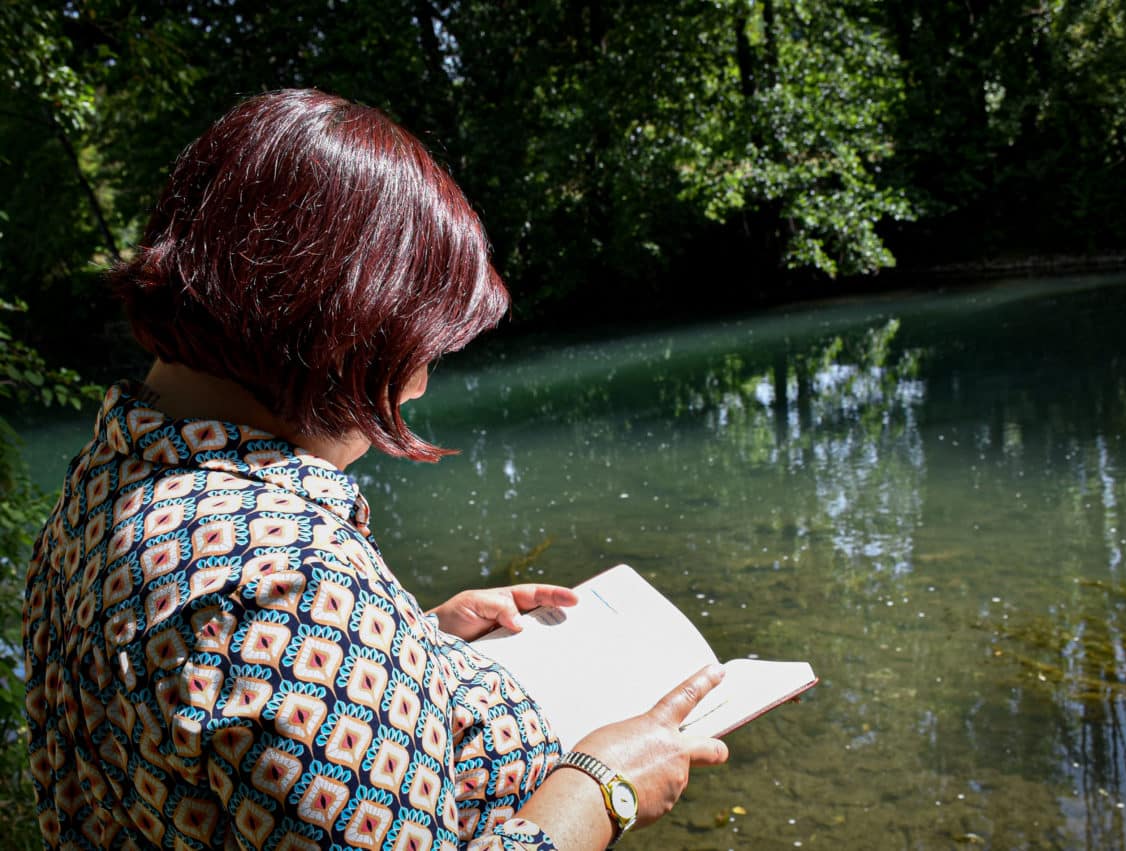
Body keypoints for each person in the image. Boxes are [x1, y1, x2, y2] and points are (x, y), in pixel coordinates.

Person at [22, 89, 728, 851]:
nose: (419, 383)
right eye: (415, 345)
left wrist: (406, 643)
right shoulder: (284, 584)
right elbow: (255, 642)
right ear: (341, 318)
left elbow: (218, 728)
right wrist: (602, 788)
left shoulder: (114, 478)